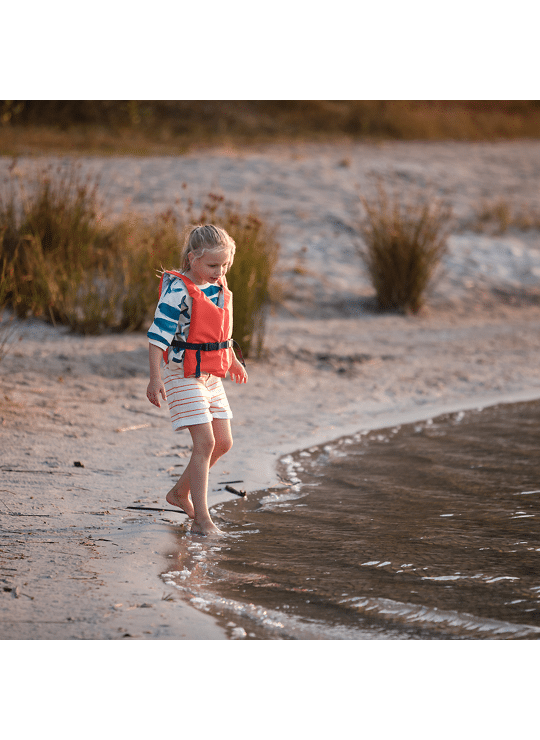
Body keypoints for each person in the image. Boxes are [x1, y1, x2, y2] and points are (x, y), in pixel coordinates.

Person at [146, 224, 248, 536]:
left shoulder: (218, 285)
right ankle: (202, 520)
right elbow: (157, 338)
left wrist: (233, 360)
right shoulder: (178, 291)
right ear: (192, 259)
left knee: (224, 442)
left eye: (225, 265)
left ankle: (180, 493)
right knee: (205, 443)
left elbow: (219, 330)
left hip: (210, 374)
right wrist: (155, 378)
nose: (220, 272)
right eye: (213, 265)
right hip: (181, 374)